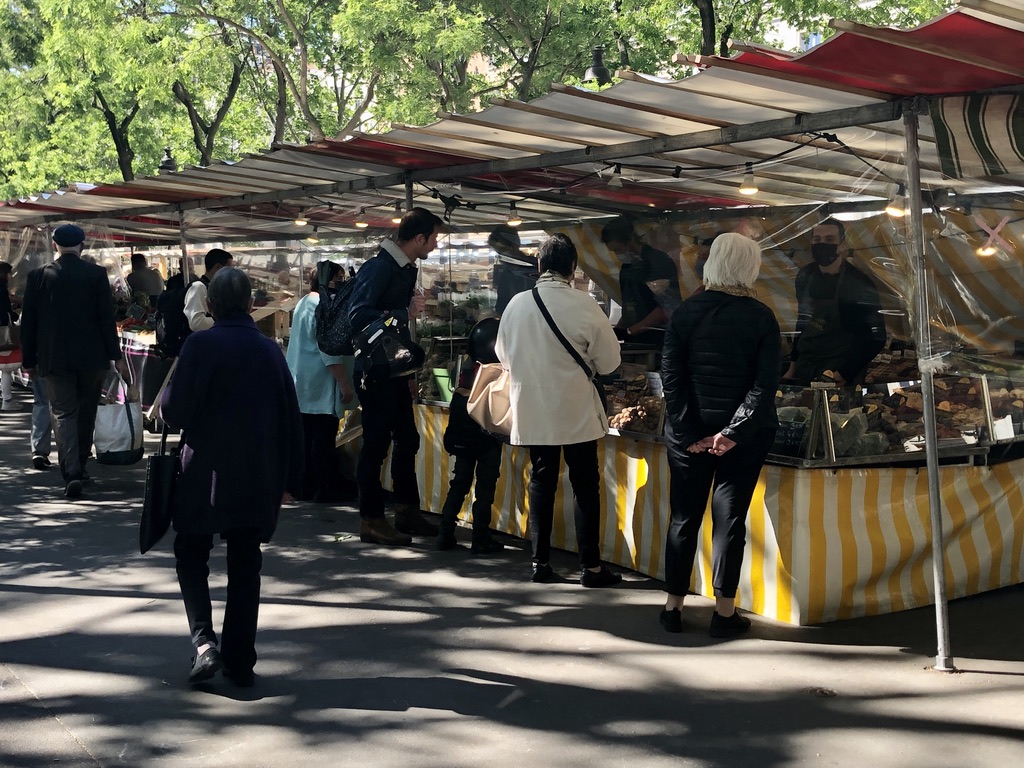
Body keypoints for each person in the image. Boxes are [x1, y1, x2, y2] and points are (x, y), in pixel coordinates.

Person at [160, 267, 303, 687]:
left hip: (203, 469)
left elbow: (174, 412)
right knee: (245, 563)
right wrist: (292, 478)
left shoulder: (199, 345)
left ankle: (204, 643)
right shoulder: (269, 349)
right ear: (250, 303)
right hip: (256, 471)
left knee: (191, 553)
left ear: (209, 305)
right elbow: (289, 417)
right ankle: (241, 660)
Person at [659, 233, 780, 638]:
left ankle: (672, 606)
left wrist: (691, 432)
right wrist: (733, 432)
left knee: (683, 516)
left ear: (711, 264)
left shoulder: (685, 312)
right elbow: (765, 385)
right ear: (751, 267)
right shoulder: (762, 317)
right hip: (741, 441)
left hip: (689, 438)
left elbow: (671, 379)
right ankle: (723, 612)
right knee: (730, 520)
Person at [495, 233, 622, 586]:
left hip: (533, 407)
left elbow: (503, 357)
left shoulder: (516, 305)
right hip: (576, 409)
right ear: (572, 267)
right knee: (585, 484)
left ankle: (540, 563)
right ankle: (591, 567)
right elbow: (610, 363)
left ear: (539, 265)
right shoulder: (585, 306)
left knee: (541, 481)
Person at [347, 207, 443, 546]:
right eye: (433, 238)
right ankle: (371, 519)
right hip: (374, 372)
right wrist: (402, 313)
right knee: (376, 444)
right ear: (418, 238)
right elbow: (357, 315)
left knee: (407, 439)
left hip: (394, 370)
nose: (434, 244)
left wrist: (407, 369)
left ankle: (406, 510)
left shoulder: (400, 268)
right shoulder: (379, 268)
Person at [20, 224, 128, 498]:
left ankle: (72, 471)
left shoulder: (38, 277)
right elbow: (106, 319)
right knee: (87, 410)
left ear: (55, 244)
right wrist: (116, 357)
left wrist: (28, 359)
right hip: (93, 357)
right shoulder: (95, 274)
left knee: (64, 412)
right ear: (82, 244)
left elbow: (29, 323)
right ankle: (81, 462)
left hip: (53, 356)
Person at [783, 218, 886, 386]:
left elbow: (876, 337)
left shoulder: (858, 284)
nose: (822, 244)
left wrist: (844, 373)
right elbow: (802, 322)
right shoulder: (805, 276)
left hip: (838, 369)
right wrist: (792, 367)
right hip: (805, 365)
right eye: (817, 240)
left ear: (842, 245)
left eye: (829, 240)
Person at [286, 262, 357, 503]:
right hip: (320, 382)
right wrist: (344, 384)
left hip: (303, 381)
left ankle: (304, 485)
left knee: (306, 437)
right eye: (338, 278)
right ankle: (322, 487)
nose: (342, 282)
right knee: (322, 437)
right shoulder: (321, 305)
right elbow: (329, 349)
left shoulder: (304, 302)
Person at [435, 317, 505, 556]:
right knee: (485, 489)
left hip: (461, 436)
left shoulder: (466, 367)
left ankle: (445, 532)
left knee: (460, 483)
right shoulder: (497, 372)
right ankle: (480, 538)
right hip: (486, 438)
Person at [600, 216, 680, 344]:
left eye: (618, 250)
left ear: (630, 239)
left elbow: (665, 307)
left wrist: (631, 331)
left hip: (658, 340)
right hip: (635, 341)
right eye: (613, 252)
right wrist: (618, 330)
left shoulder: (658, 262)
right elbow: (629, 306)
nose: (617, 255)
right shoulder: (627, 268)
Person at [488, 224, 538, 314]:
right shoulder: (506, 274)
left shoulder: (536, 267)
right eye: (497, 251)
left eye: (502, 249)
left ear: (515, 245)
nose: (499, 255)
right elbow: (501, 307)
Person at [183, 249, 234, 333]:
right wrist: (228, 321)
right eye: (229, 270)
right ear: (218, 267)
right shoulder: (198, 287)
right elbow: (197, 324)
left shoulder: (211, 287)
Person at [0, 261, 18, 411]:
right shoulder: (1, 290)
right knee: (5, 367)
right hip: (3, 332)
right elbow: (6, 311)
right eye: (9, 273)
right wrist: (15, 314)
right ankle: (7, 400)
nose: (11, 276)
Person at [30, 373, 53, 470]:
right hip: (73, 364)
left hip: (42, 363)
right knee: (70, 407)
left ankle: (39, 450)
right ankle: (73, 451)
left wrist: (28, 362)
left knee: (42, 403)